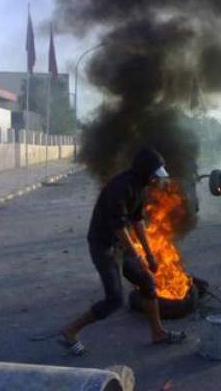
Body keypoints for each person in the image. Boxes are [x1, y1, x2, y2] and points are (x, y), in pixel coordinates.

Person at [60, 147, 186, 356]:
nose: (157, 180)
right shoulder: (120, 187)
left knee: (146, 281)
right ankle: (70, 331)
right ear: (145, 171)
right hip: (104, 247)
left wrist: (149, 253)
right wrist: (136, 255)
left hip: (120, 245)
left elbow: (137, 221)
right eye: (155, 175)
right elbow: (119, 227)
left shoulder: (140, 186)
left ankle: (158, 333)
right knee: (115, 299)